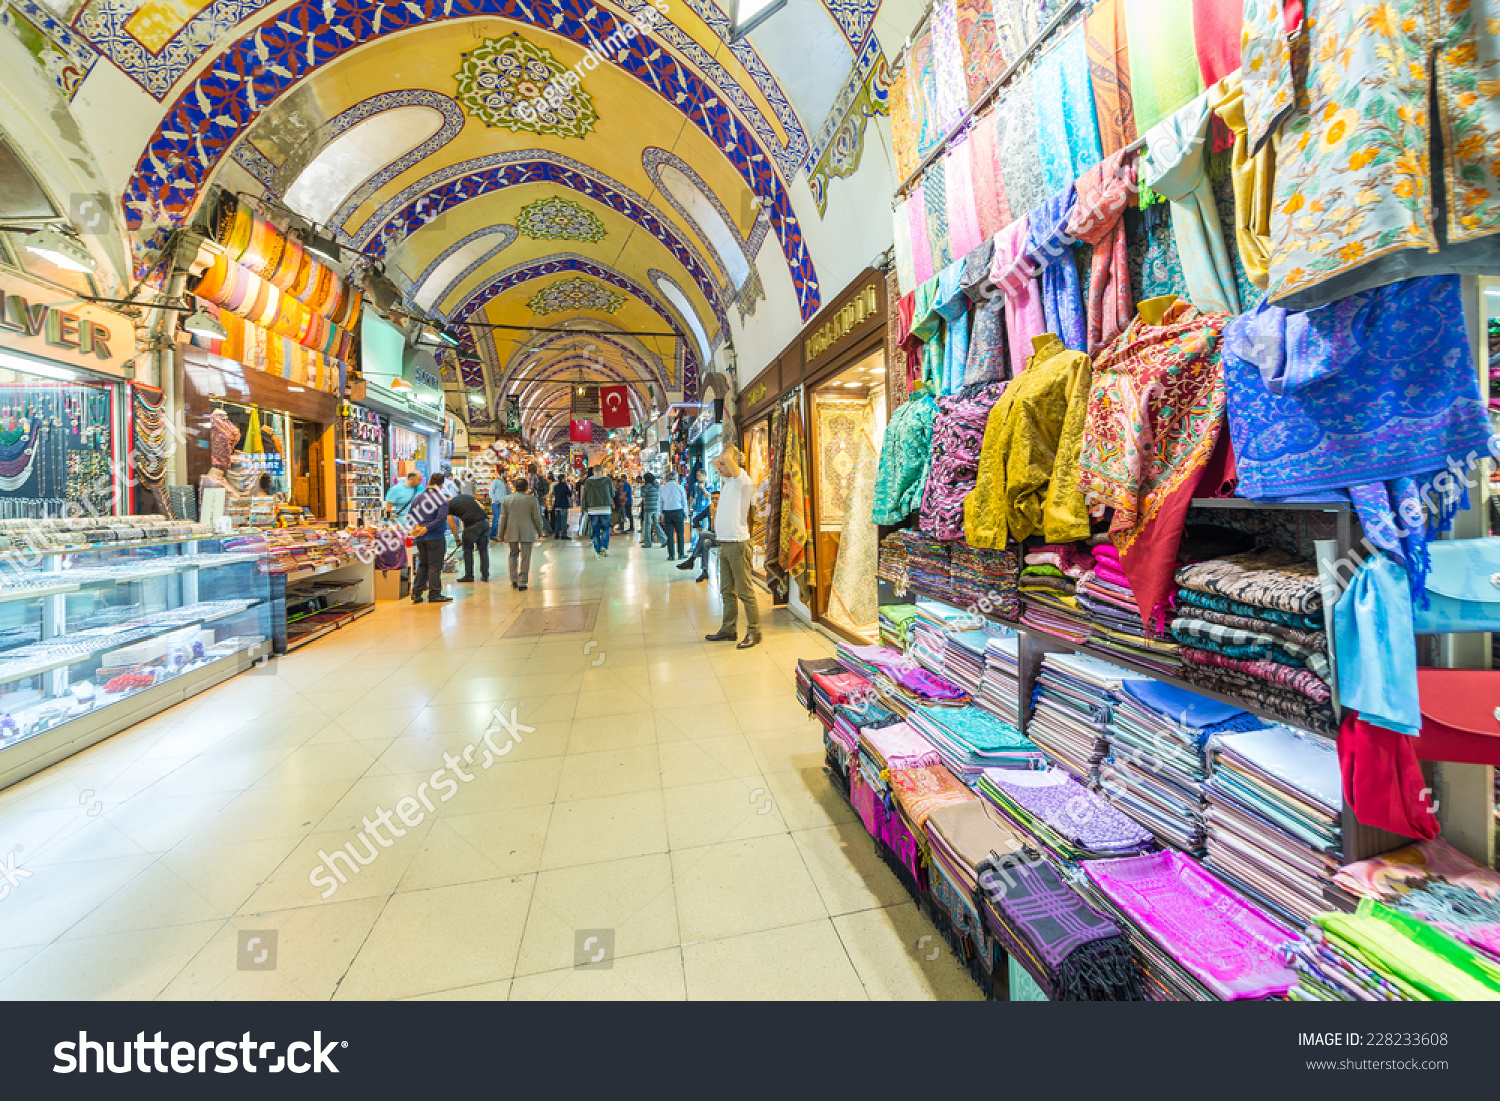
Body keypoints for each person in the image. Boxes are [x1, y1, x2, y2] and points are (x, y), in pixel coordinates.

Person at [703, 446, 759, 648]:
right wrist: (720, 459)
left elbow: (726, 456)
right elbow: (714, 461)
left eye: (723, 464)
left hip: (738, 543)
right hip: (725, 543)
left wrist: (730, 451)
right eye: (719, 464)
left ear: (734, 463)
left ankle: (754, 631)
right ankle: (729, 628)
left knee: (745, 591)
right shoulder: (727, 482)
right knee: (726, 591)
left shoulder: (742, 480)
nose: (719, 466)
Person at [407, 473, 453, 604]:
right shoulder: (441, 499)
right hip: (435, 537)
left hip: (420, 539)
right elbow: (440, 519)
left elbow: (410, 515)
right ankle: (434, 594)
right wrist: (427, 528)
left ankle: (416, 594)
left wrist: (417, 528)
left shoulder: (418, 498)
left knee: (423, 565)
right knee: (434, 566)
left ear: (429, 482)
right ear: (441, 484)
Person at [496, 477, 545, 590]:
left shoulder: (507, 499)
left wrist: (500, 534)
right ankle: (522, 582)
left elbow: (502, 517)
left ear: (514, 487)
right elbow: (537, 517)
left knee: (513, 554)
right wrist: (540, 530)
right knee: (525, 556)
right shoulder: (531, 500)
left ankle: (513, 579)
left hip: (511, 530)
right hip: (527, 531)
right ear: (526, 487)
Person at [447, 486, 490, 583]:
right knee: (483, 550)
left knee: (468, 550)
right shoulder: (465, 496)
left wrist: (457, 539)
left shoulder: (448, 506)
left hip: (471, 526)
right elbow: (482, 507)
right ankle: (485, 575)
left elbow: (452, 525)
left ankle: (469, 576)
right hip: (484, 521)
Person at [580, 465, 615, 557]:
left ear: (593, 472)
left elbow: (584, 497)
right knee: (606, 528)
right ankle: (604, 546)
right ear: (601, 471)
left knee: (595, 530)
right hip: (605, 508)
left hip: (592, 509)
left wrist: (584, 508)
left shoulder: (588, 482)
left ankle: (598, 550)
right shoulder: (607, 481)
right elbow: (613, 493)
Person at [658, 471, 688, 560]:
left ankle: (671, 555)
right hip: (678, 512)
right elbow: (684, 501)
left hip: (667, 513)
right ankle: (681, 553)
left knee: (670, 535)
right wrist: (686, 513)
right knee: (680, 534)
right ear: (675, 479)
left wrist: (659, 513)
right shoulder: (680, 488)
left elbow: (660, 502)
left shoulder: (662, 489)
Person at [638, 473, 661, 549]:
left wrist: (643, 486)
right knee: (656, 524)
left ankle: (648, 543)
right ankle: (664, 539)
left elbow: (642, 494)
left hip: (648, 508)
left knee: (647, 525)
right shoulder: (657, 485)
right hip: (655, 507)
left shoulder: (647, 487)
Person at [487, 470, 507, 541]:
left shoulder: (503, 483)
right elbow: (491, 492)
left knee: (501, 520)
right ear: (501, 474)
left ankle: (499, 535)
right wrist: (495, 500)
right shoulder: (495, 482)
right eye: (505, 473)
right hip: (497, 504)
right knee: (497, 519)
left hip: (502, 504)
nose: (506, 475)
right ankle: (493, 535)